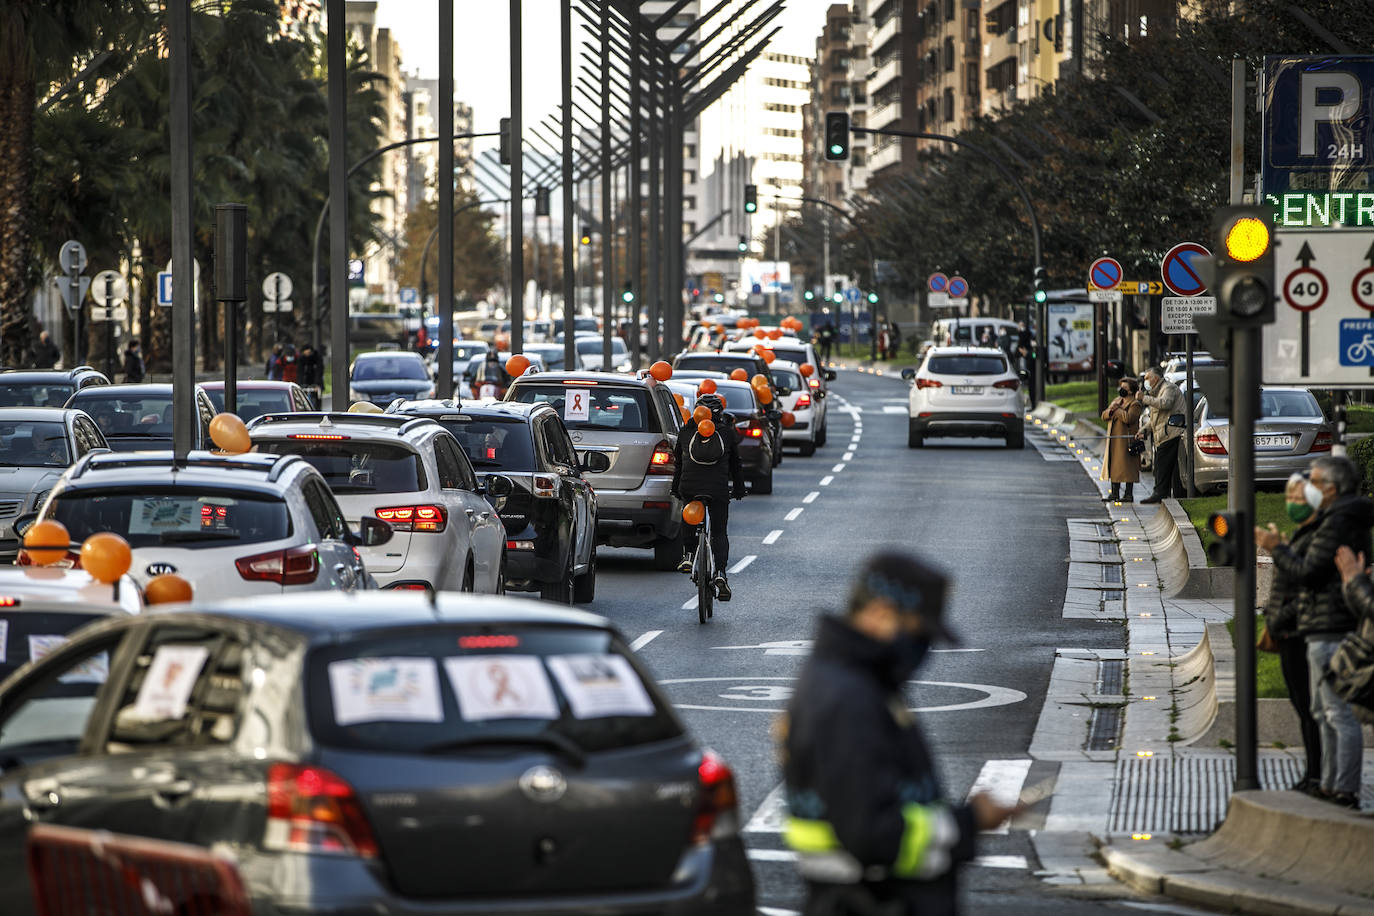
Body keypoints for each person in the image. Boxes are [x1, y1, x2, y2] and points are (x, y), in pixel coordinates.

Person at [780, 551, 1019, 915]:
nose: (923, 648)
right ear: (880, 613)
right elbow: (873, 833)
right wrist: (969, 823)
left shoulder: (850, 680)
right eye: (918, 632)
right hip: (871, 901)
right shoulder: (848, 698)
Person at [1256, 456, 1372, 810]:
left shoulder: (1338, 522)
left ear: (1331, 489)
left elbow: (1309, 572)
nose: (1308, 489)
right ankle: (1329, 783)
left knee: (1336, 713)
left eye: (1315, 482)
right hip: (1318, 625)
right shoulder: (1334, 519)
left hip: (1330, 626)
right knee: (1323, 712)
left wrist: (1276, 548)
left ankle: (1343, 789)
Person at [1263, 474, 1327, 795]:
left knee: (1311, 708)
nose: (1293, 504)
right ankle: (1312, 773)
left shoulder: (1316, 537)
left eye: (1300, 499)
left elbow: (1304, 583)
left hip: (1298, 632)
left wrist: (1278, 551)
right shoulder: (1303, 535)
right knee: (1304, 708)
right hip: (1289, 631)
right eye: (1291, 498)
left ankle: (1318, 775)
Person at [670, 392, 746, 602]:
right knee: (719, 532)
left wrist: (676, 488)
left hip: (690, 486)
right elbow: (736, 465)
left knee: (689, 515)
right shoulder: (726, 432)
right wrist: (739, 489)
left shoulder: (686, 432)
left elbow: (678, 464)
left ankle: (688, 555)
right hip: (718, 489)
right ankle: (720, 573)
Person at [1137, 367, 1186, 504]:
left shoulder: (1168, 388)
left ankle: (1160, 493)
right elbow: (1155, 419)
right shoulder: (1157, 392)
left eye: (1147, 378)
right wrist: (1144, 430)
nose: (1146, 381)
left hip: (1171, 433)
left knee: (1162, 464)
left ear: (1156, 378)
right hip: (1163, 434)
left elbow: (1165, 404)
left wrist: (1144, 398)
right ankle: (1166, 492)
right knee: (1165, 464)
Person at [1101, 377, 1142, 502]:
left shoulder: (1135, 404)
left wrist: (1117, 410)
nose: (1121, 390)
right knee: (1114, 466)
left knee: (1127, 468)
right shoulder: (1117, 401)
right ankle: (1114, 492)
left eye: (1125, 388)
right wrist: (1111, 410)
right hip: (1114, 440)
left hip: (1126, 441)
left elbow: (1128, 418)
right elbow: (1104, 415)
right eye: (1121, 387)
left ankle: (1128, 494)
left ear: (1130, 391)